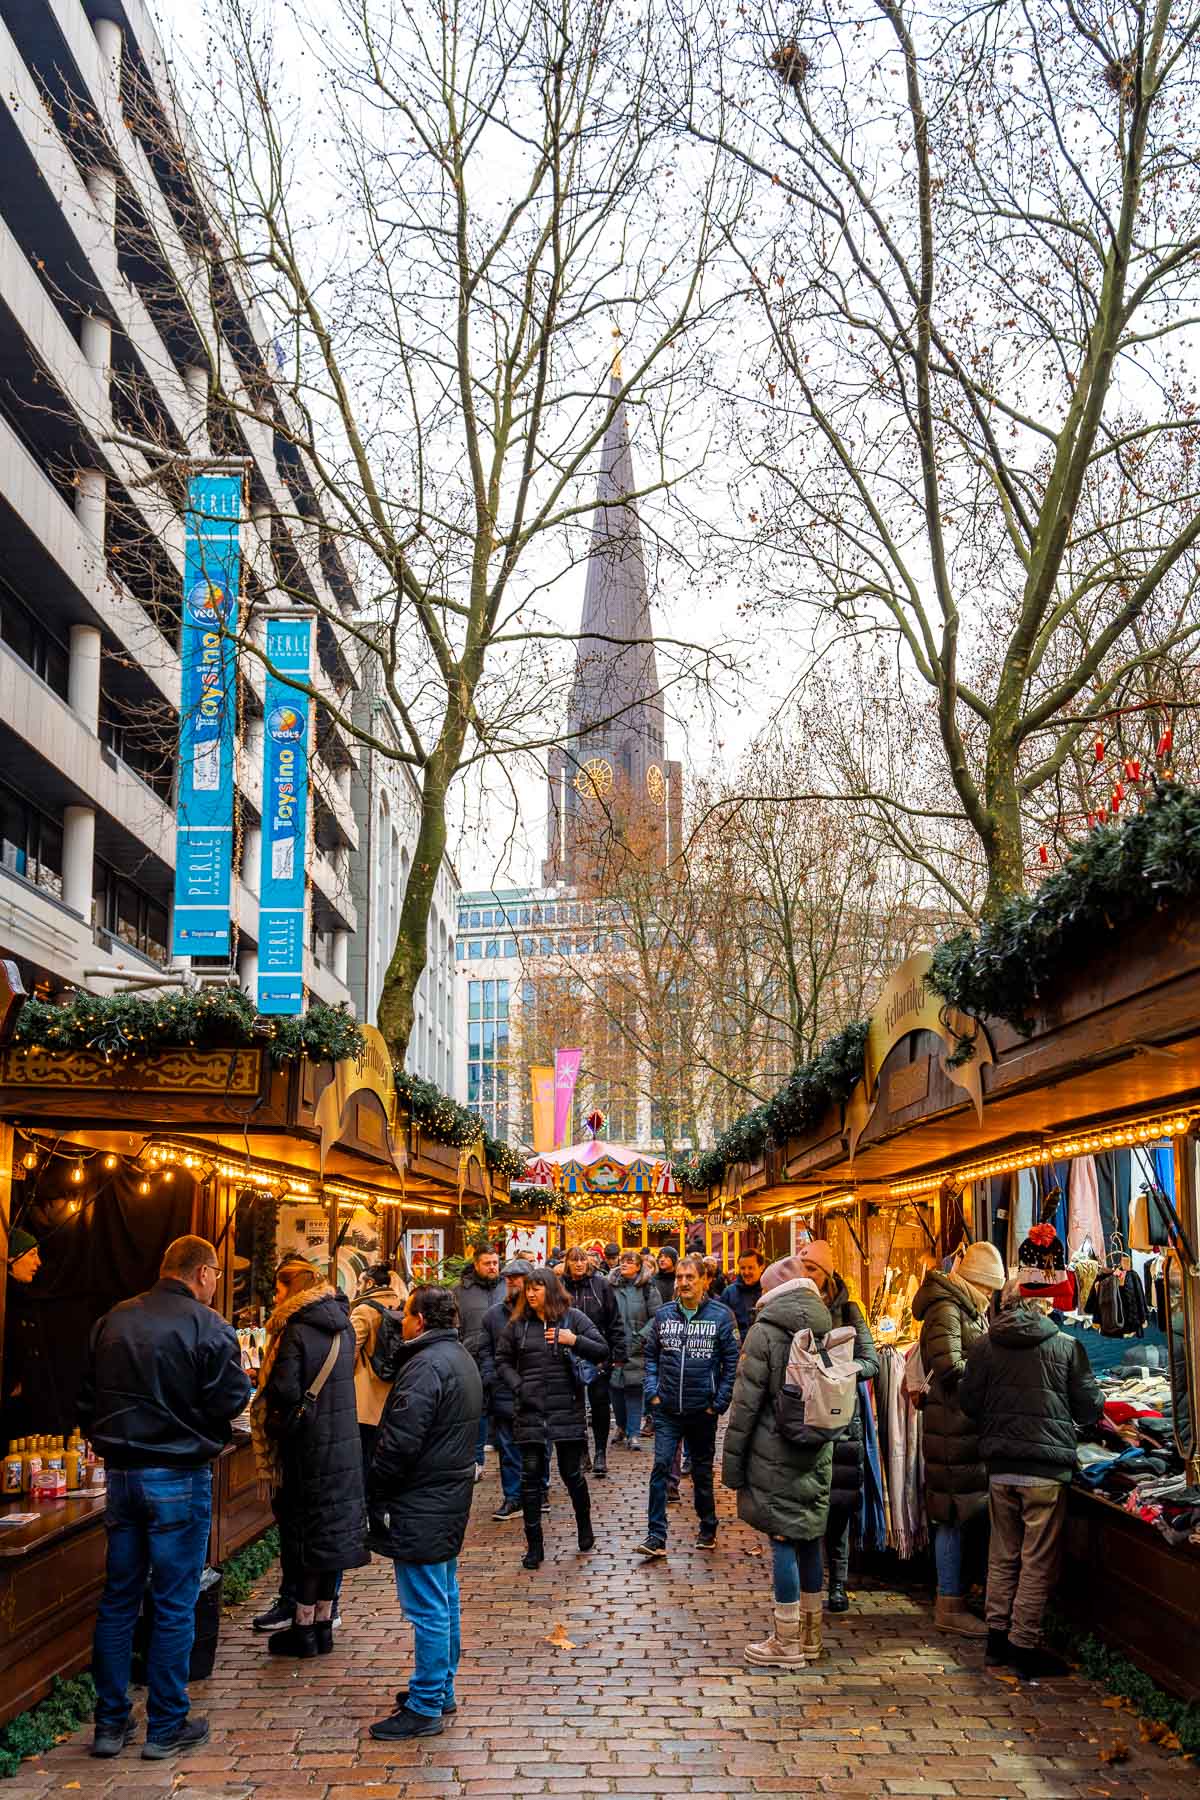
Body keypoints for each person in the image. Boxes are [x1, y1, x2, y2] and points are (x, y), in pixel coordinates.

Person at [78, 1235, 251, 1761]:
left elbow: (87, 1395)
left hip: (123, 1474)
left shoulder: (115, 1319)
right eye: (218, 1273)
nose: (218, 1282)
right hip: (178, 1473)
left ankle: (110, 1725)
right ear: (202, 1273)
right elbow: (231, 1398)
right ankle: (165, 1726)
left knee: (120, 1598)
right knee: (175, 1603)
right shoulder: (207, 1326)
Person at [959, 1290, 1102, 1679]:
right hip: (1044, 1470)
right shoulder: (1066, 1346)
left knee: (1002, 1553)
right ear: (1045, 1306)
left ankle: (996, 1642)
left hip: (1001, 1466)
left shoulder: (985, 1345)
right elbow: (1090, 1407)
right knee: (1036, 1560)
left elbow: (968, 1402)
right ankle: (1023, 1647)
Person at [367, 1285, 482, 1739]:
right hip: (445, 1495)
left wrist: (376, 1489)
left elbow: (399, 1442)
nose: (402, 1322)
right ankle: (439, 1689)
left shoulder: (425, 1367)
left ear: (420, 1320)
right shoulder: (457, 1358)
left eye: (406, 1315)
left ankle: (427, 1702)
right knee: (444, 1595)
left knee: (429, 1605)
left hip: (423, 1498)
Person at [250, 1257, 368, 1659]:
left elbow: (284, 1390)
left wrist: (274, 1421)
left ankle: (302, 1633)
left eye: (279, 1290)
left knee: (303, 1541)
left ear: (293, 1290)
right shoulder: (343, 1326)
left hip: (307, 1449)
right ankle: (323, 1627)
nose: (275, 1297)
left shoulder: (295, 1330)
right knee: (329, 1538)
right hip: (343, 1445)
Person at [721, 1254, 835, 1666]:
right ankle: (810, 1637)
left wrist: (732, 1468)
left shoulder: (764, 1333)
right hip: (818, 1449)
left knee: (783, 1539)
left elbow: (745, 1406)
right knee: (808, 1538)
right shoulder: (827, 1326)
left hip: (775, 1452)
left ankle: (786, 1642)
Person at [911, 1241, 1006, 1635]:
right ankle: (948, 1604)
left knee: (962, 1513)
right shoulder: (947, 1309)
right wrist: (991, 1372)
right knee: (950, 1513)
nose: (989, 1298)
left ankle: (959, 1595)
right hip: (950, 1428)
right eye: (987, 1290)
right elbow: (949, 1367)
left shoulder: (961, 1308)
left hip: (959, 1427)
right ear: (974, 1283)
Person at [495, 1267, 608, 1569]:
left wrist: (573, 1340)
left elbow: (601, 1350)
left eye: (537, 1287)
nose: (531, 1293)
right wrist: (518, 1386)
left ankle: (584, 1527)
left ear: (552, 1289)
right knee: (530, 1477)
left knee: (572, 1474)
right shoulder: (517, 1325)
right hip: (530, 1410)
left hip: (566, 1408)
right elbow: (502, 1360)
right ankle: (534, 1546)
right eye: (528, 1288)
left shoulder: (573, 1319)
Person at [795, 1239, 879, 1613]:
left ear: (827, 1273)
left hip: (843, 1421)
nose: (805, 1275)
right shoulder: (796, 1310)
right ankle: (807, 1583)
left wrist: (837, 1372)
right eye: (802, 1268)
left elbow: (871, 1360)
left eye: (812, 1268)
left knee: (840, 1506)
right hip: (806, 1420)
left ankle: (839, 1584)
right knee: (808, 1505)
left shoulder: (849, 1309)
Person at [638, 1254, 739, 1558]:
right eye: (680, 1278)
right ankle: (656, 1535)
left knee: (702, 1473)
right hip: (667, 1409)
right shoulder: (664, 1315)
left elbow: (731, 1362)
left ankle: (708, 1526)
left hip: (702, 1410)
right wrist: (652, 1392)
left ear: (704, 1280)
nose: (682, 1283)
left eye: (689, 1277)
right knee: (660, 1466)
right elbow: (651, 1355)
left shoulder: (721, 1316)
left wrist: (719, 1402)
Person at [560, 1242, 627, 1476]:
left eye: (582, 1259)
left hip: (598, 1352)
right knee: (575, 1407)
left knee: (599, 1404)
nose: (579, 1263)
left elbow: (614, 1320)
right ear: (567, 1263)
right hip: (568, 1354)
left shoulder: (601, 1285)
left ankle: (600, 1452)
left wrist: (618, 1353)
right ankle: (582, 1452)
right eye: (574, 1259)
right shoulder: (560, 1287)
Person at [477, 1258, 535, 1521]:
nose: (511, 1280)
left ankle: (538, 1490)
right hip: (503, 1390)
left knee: (536, 1446)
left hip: (534, 1390)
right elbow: (485, 1350)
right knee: (508, 1447)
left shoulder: (542, 1313)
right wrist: (489, 1376)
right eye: (508, 1276)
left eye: (517, 1276)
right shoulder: (493, 1316)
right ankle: (513, 1496)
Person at [350, 1260, 408, 1481]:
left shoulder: (363, 1310)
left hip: (367, 1399)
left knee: (365, 1457)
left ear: (370, 1283)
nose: (357, 1287)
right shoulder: (402, 1304)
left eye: (359, 1282)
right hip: (395, 1391)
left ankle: (368, 1506)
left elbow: (350, 1352)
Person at [455, 1244, 504, 1479]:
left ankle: (509, 1460)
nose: (493, 1267)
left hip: (505, 1356)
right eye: (487, 1263)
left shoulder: (507, 1287)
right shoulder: (461, 1291)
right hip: (472, 1356)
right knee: (478, 1410)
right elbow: (456, 1325)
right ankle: (476, 1461)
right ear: (476, 1264)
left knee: (504, 1409)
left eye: (495, 1262)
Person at [609, 1249, 662, 1448]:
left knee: (634, 1390)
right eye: (623, 1261)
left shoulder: (648, 1288)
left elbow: (657, 1316)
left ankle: (633, 1432)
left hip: (638, 1346)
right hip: (615, 1345)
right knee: (615, 1389)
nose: (624, 1264)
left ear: (638, 1266)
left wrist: (642, 1336)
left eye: (629, 1261)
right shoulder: (610, 1286)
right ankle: (621, 1426)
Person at [720, 1247, 766, 1342]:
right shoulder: (729, 1293)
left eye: (750, 1268)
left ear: (761, 1267)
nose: (746, 1272)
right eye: (742, 1268)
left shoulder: (769, 1291)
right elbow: (722, 1325)